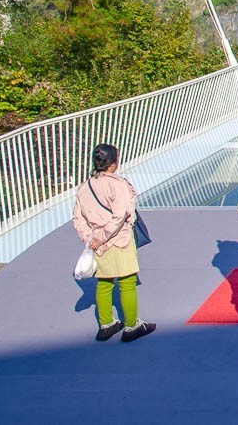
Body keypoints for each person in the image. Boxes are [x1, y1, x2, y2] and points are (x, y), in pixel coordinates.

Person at [72, 143, 155, 344]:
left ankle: (106, 324)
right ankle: (132, 325)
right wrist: (104, 235)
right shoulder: (118, 184)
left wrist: (90, 238)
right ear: (112, 163)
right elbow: (121, 215)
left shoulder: (85, 187)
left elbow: (77, 217)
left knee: (104, 282)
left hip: (96, 243)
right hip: (119, 240)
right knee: (127, 282)